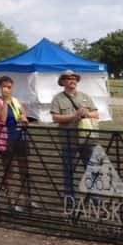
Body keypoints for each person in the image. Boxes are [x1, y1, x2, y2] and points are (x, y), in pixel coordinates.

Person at [50, 70, 99, 204]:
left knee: (92, 169)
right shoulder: (58, 99)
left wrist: (87, 114)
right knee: (69, 171)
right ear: (63, 82)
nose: (72, 80)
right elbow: (55, 118)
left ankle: (94, 198)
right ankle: (70, 199)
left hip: (87, 139)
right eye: (68, 78)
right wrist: (74, 116)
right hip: (68, 140)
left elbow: (96, 114)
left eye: (74, 78)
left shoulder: (85, 96)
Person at [0, 76, 33, 212]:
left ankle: (27, 200)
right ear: (0, 87)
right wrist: (6, 103)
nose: (7, 89)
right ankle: (11, 202)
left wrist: (24, 119)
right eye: (4, 87)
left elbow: (24, 118)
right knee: (9, 171)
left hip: (20, 137)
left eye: (9, 87)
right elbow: (2, 118)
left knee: (24, 170)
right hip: (5, 139)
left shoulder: (17, 101)